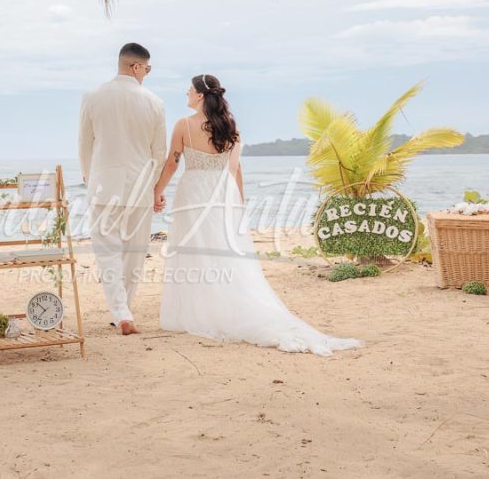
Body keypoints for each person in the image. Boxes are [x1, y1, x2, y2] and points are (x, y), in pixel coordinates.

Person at [153, 74, 362, 355]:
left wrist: (157, 191)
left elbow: (172, 163)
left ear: (200, 95)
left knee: (194, 249)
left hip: (194, 192)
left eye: (189, 91)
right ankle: (221, 307)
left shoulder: (183, 125)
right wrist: (239, 200)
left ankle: (199, 311)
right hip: (222, 192)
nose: (187, 95)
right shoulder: (230, 127)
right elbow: (236, 169)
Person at [78, 43, 167, 335]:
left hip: (104, 186)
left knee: (107, 253)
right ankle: (123, 311)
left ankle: (121, 311)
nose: (147, 74)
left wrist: (91, 180)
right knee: (134, 254)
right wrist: (154, 188)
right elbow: (159, 153)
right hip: (139, 189)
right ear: (136, 67)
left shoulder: (92, 97)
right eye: (147, 69)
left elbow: (85, 146)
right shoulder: (154, 102)